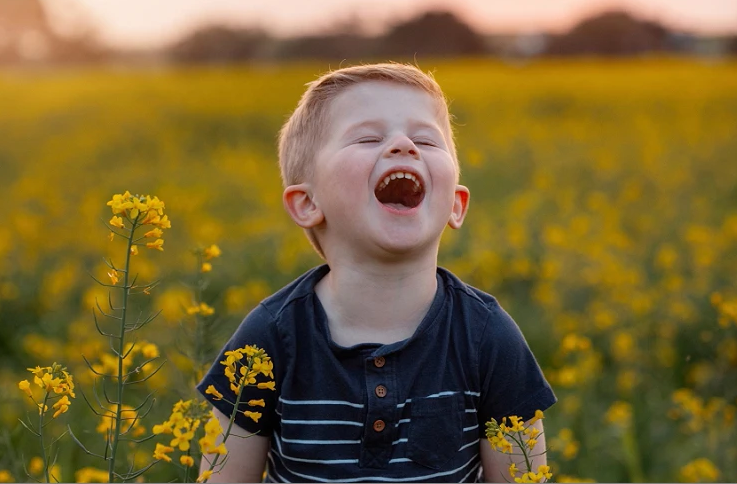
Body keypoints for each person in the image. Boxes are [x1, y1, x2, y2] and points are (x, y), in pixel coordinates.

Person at [196, 62, 556, 483]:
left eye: (425, 139)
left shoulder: (488, 338)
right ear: (307, 203)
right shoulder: (270, 337)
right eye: (368, 138)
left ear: (456, 203)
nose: (404, 145)